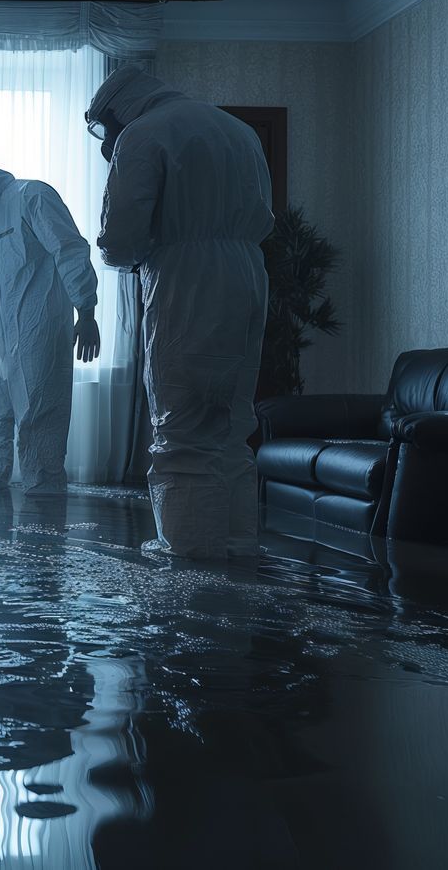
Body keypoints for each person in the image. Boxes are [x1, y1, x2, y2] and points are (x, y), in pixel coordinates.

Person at [88, 65, 273, 560]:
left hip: (185, 280)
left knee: (182, 426)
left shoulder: (143, 135)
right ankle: (237, 548)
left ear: (117, 109)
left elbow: (120, 241)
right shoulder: (239, 130)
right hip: (248, 276)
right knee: (231, 426)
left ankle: (189, 554)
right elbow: (265, 215)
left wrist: (128, 252)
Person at [0, 145, 101, 495]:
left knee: (39, 417)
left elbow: (69, 249)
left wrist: (85, 309)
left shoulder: (32, 196)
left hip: (36, 327)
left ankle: (43, 496)